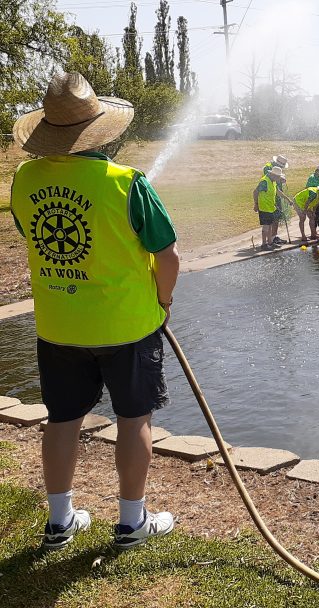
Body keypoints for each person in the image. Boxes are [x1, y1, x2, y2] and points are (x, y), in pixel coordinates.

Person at [9, 72, 179, 550]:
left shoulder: (24, 179)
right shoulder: (126, 183)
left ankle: (60, 521)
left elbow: (37, 236)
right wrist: (164, 302)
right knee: (134, 418)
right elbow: (167, 256)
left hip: (59, 326)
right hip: (126, 325)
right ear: (102, 128)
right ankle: (131, 523)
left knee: (61, 419)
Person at [253, 164, 284, 249]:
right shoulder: (265, 181)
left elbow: (274, 194)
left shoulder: (273, 182)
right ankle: (264, 244)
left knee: (270, 225)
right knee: (266, 226)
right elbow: (255, 192)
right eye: (277, 176)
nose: (278, 178)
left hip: (271, 207)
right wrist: (256, 204)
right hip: (264, 207)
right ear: (273, 175)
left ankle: (270, 242)